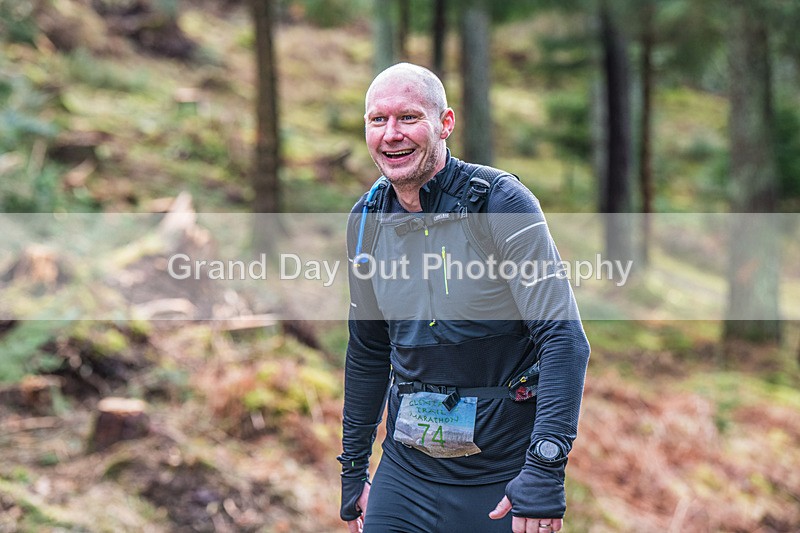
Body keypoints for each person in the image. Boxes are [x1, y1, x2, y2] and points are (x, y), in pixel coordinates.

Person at [338, 62, 590, 533]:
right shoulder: (367, 219)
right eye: (378, 120)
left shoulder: (500, 202)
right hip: (406, 476)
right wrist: (353, 470)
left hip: (499, 481)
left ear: (445, 123)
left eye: (409, 117)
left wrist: (545, 468)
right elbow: (369, 351)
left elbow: (564, 341)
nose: (392, 134)